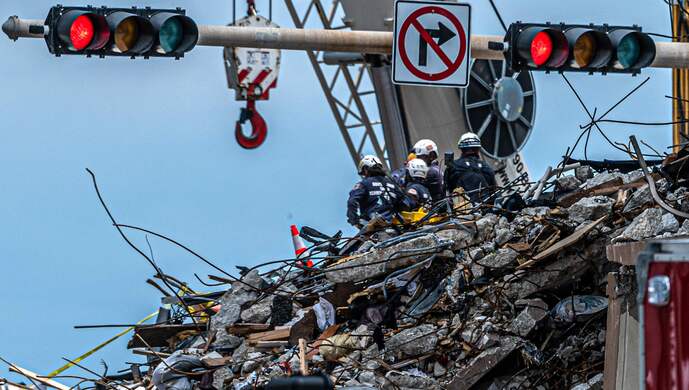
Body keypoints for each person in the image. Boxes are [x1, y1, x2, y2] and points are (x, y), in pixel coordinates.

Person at [347, 155, 405, 228]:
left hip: (374, 227)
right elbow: (403, 203)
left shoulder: (364, 184)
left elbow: (352, 202)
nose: (364, 176)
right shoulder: (392, 184)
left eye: (363, 173)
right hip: (394, 226)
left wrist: (354, 221)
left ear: (366, 169)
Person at [444, 132, 497, 204]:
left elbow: (446, 192)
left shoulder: (452, 167)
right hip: (487, 211)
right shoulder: (487, 167)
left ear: (461, 149)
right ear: (478, 149)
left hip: (462, 212)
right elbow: (495, 194)